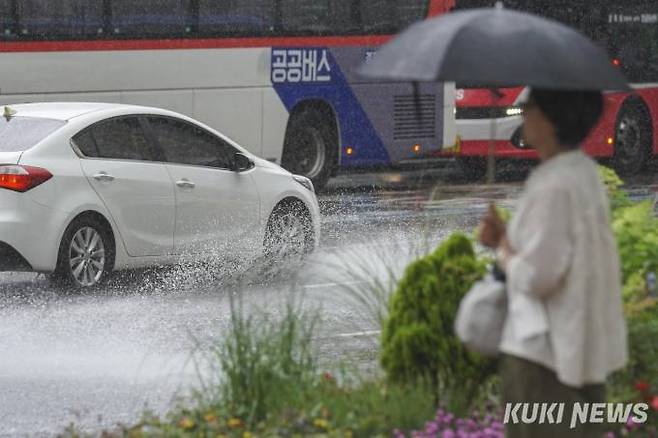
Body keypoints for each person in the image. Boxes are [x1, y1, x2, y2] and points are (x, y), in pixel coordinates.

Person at [479, 88, 628, 438]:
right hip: (582, 351)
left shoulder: (553, 185)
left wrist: (501, 248)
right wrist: (506, 237)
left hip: (543, 359)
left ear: (550, 118)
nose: (521, 111)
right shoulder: (584, 173)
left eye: (528, 106)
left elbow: (537, 277)